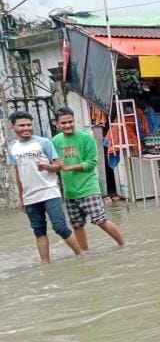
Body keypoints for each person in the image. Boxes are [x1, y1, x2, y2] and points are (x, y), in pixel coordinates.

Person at [6, 111, 82, 263]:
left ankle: (81, 256)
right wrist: (21, 198)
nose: (26, 128)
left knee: (60, 228)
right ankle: (46, 265)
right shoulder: (12, 147)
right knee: (39, 232)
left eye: (28, 125)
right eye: (21, 125)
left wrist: (46, 166)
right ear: (13, 127)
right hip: (30, 197)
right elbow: (18, 174)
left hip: (49, 192)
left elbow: (59, 165)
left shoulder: (44, 142)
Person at [52, 107, 125, 251]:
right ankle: (84, 254)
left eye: (70, 122)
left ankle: (123, 245)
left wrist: (68, 167)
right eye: (63, 123)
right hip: (70, 191)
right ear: (57, 124)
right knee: (77, 225)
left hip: (88, 188)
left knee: (100, 220)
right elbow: (53, 162)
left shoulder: (86, 138)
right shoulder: (55, 140)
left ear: (75, 120)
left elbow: (92, 162)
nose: (67, 125)